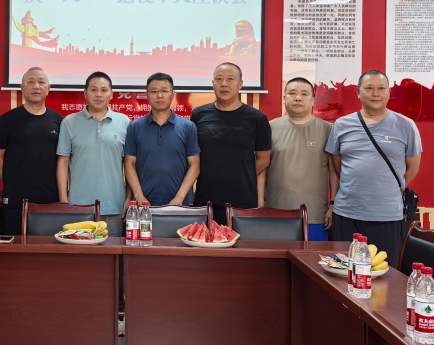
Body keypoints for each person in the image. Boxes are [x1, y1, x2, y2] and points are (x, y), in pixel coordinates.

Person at [325, 70, 422, 266]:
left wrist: (386, 188)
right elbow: (336, 166)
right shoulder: (342, 125)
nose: (375, 93)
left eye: (381, 88)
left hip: (387, 215)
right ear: (358, 93)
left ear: (389, 92)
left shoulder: (406, 125)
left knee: (385, 273)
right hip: (347, 213)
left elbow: (412, 168)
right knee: (345, 271)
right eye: (369, 88)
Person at [190, 62, 271, 225]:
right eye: (219, 79)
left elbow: (264, 159)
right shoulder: (199, 114)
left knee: (239, 242)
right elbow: (193, 156)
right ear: (213, 83)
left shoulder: (257, 118)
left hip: (242, 201)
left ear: (240, 84)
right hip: (205, 199)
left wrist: (239, 177)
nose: (224, 84)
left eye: (230, 79)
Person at [259, 77, 337, 241]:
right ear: (284, 98)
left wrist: (333, 205)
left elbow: (334, 171)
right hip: (276, 212)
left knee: (313, 257)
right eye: (292, 93)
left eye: (304, 94)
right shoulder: (269, 128)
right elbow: (262, 168)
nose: (298, 98)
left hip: (315, 215)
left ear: (313, 99)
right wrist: (260, 205)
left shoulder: (328, 129)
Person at [57, 71, 131, 236]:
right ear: (85, 93)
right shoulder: (69, 122)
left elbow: (130, 165)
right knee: (80, 251)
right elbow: (62, 162)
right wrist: (64, 201)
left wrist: (128, 198)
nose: (99, 94)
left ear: (111, 94)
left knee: (111, 250)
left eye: (104, 90)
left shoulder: (124, 122)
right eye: (93, 90)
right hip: (78, 206)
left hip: (114, 206)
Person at [0, 67, 63, 235]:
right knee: (16, 246)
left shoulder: (58, 120)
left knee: (48, 247)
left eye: (41, 82)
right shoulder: (6, 120)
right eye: (30, 82)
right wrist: (11, 183)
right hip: (16, 199)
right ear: (22, 88)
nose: (36, 86)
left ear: (48, 88)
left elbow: (63, 160)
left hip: (50, 199)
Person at [124, 73, 200, 209]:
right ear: (147, 95)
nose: (159, 95)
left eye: (165, 91)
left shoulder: (188, 127)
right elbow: (129, 164)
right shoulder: (135, 127)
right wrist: (140, 197)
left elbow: (195, 165)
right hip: (144, 205)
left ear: (173, 94)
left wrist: (179, 198)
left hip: (179, 205)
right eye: (154, 91)